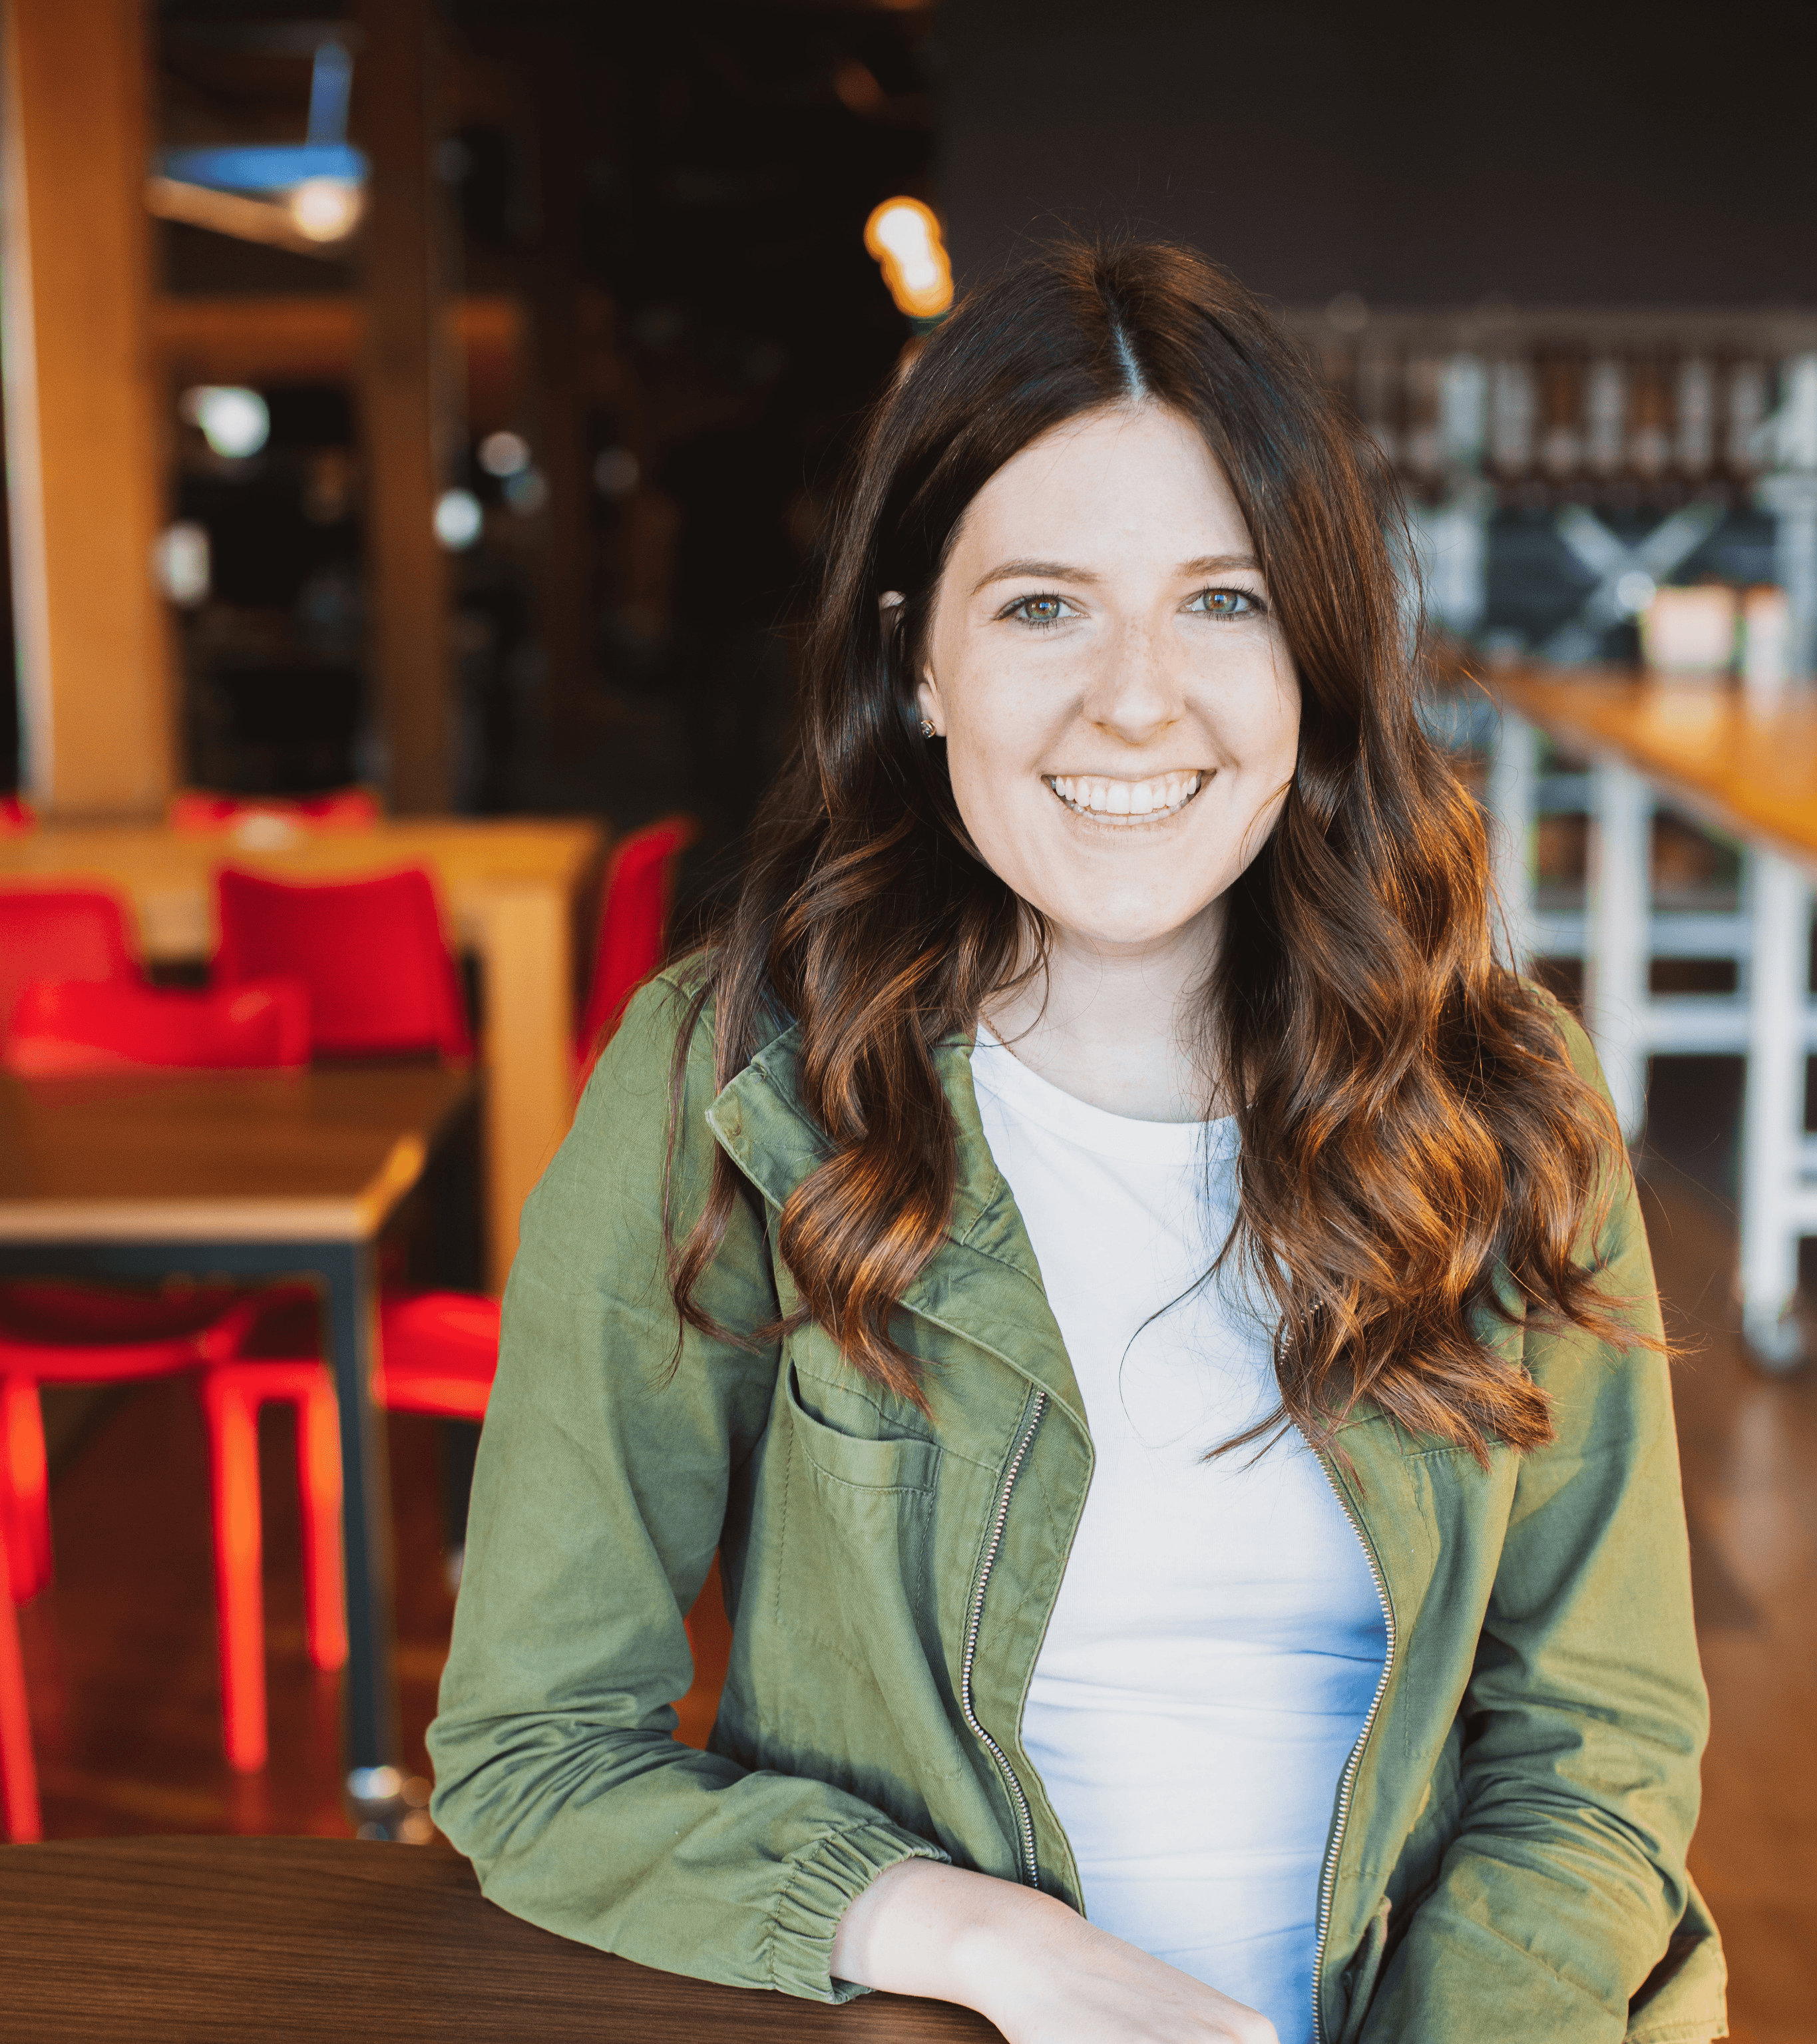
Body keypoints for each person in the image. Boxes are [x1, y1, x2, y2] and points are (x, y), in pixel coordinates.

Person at [428, 242, 1725, 2044]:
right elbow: (532, 1747)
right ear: (924, 662)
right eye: (1044, 606)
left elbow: (1598, 1749)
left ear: (1319, 661)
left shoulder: (1504, 1096)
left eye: (1225, 600)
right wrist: (976, 1942)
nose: (1136, 698)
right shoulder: (730, 1087)